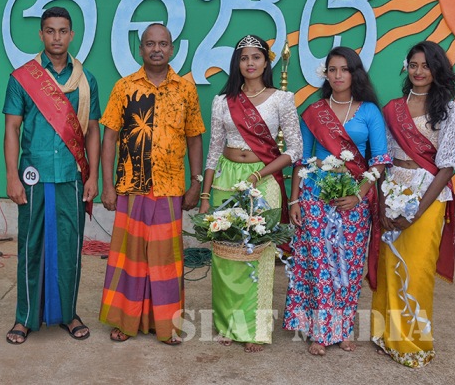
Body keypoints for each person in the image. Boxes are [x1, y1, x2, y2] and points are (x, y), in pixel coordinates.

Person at [100, 23, 206, 345]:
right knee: (130, 259)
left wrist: (196, 183)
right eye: (150, 43)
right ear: (141, 49)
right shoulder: (124, 87)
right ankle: (126, 321)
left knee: (165, 263)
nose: (156, 49)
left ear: (171, 48)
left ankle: (167, 326)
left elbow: (195, 139)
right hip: (131, 186)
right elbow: (109, 138)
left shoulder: (185, 90)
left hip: (170, 188)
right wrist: (107, 186)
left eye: (162, 43)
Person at [282, 46, 391, 356]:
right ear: (325, 74)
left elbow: (380, 160)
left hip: (353, 201)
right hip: (315, 197)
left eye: (344, 69)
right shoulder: (314, 112)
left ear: (355, 74)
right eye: (332, 69)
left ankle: (342, 329)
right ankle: (319, 331)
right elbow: (302, 160)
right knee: (318, 265)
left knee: (348, 266)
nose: (338, 75)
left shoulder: (369, 111)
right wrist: (294, 201)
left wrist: (358, 194)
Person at [3, 6, 101, 344]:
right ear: (41, 34)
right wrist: (12, 177)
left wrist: (93, 176)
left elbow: (92, 131)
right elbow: (12, 128)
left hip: (71, 176)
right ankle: (25, 317)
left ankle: (68, 314)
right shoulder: (22, 77)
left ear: (71, 35)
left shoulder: (86, 80)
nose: (56, 37)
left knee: (70, 248)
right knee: (31, 247)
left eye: (62, 31)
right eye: (49, 30)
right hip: (33, 176)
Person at [199, 35, 302, 352]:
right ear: (237, 63)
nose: (250, 63)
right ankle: (228, 325)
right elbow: (214, 150)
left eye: (256, 57)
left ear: (265, 62)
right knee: (226, 254)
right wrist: (205, 195)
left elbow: (295, 150)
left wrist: (260, 173)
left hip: (263, 181)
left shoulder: (281, 99)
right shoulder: (222, 101)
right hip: (226, 181)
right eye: (244, 58)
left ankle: (254, 330)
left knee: (256, 255)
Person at [371, 41, 455, 368]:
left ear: (437, 69)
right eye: (413, 65)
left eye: (426, 66)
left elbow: (448, 165)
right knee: (390, 267)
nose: (419, 71)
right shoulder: (392, 109)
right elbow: (382, 157)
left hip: (429, 194)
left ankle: (412, 343)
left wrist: (417, 210)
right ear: (406, 67)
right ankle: (385, 336)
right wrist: (382, 202)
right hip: (392, 186)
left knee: (418, 269)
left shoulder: (450, 110)